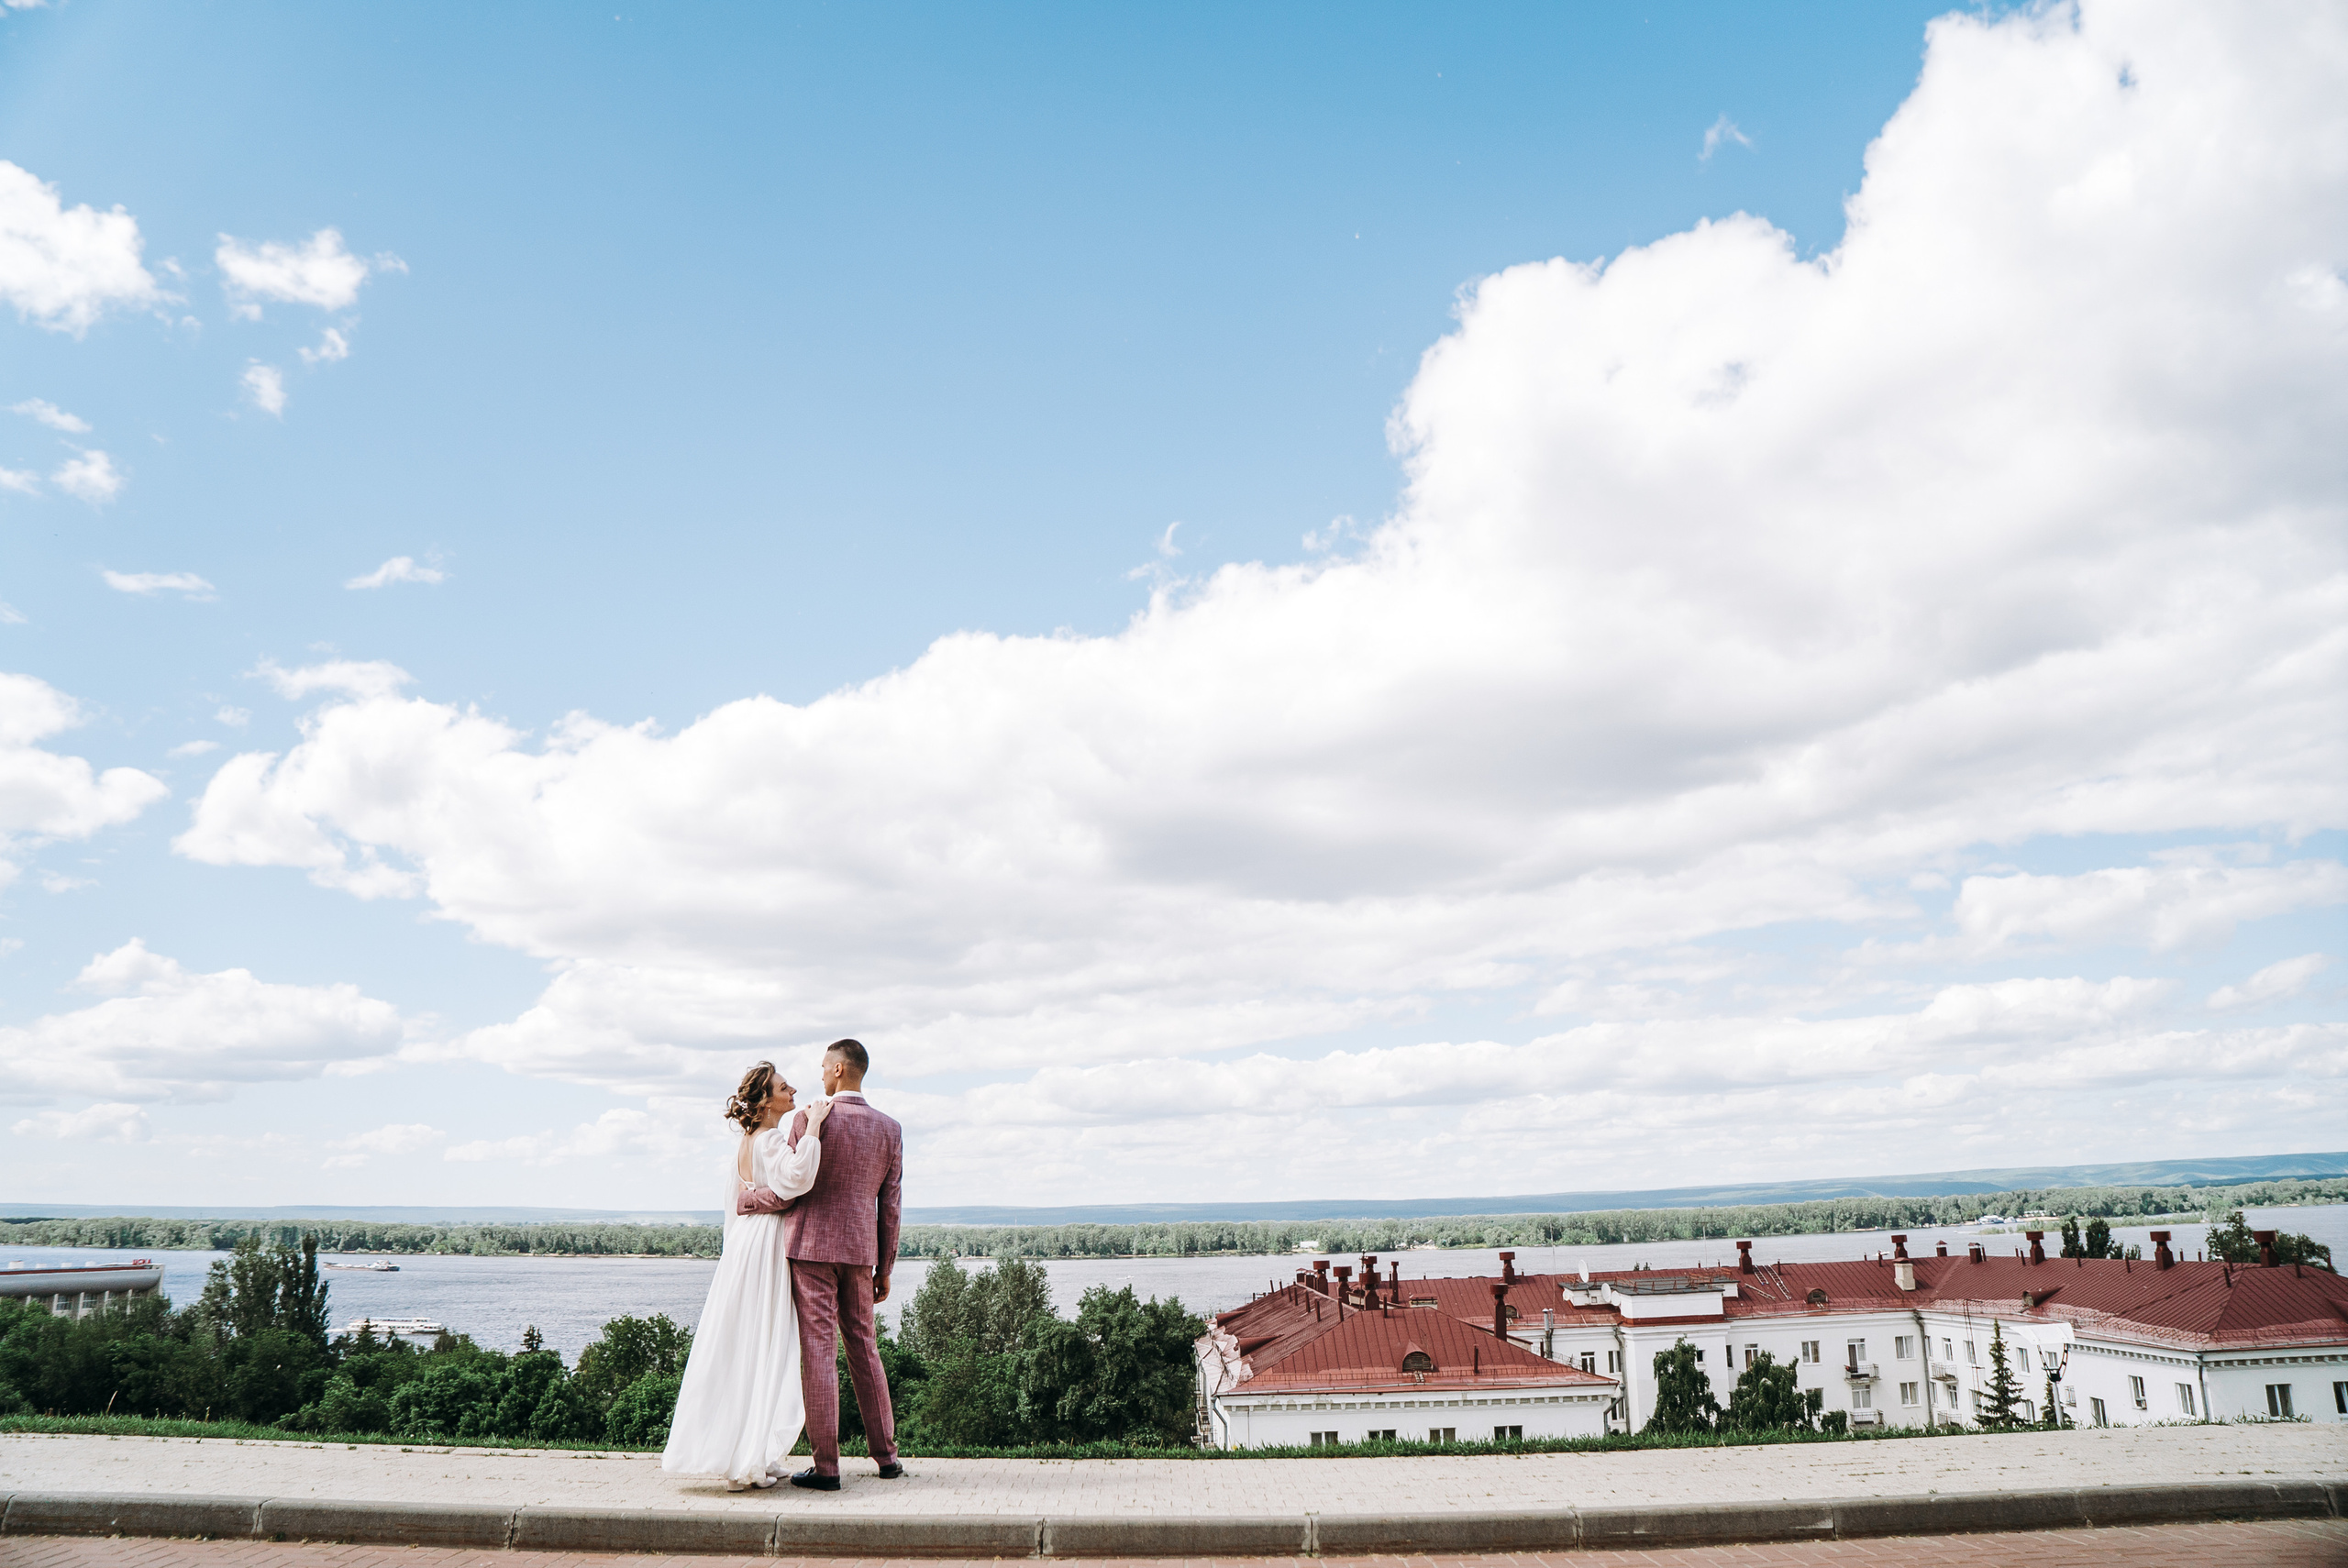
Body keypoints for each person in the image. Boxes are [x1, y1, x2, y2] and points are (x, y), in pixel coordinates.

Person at [736, 1036, 903, 1489]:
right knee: (864, 1347)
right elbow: (890, 1204)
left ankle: (827, 1468)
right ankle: (886, 1458)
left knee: (819, 1352)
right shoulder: (890, 1128)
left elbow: (794, 1186)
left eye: (823, 1066)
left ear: (837, 1071)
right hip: (860, 1252)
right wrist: (884, 1266)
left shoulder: (807, 1120)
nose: (818, 1074)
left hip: (810, 1247)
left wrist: (750, 1202)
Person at [660, 1061, 832, 1489]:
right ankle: (746, 1458)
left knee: (750, 1342)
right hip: (767, 1245)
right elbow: (797, 1179)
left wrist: (759, 1204)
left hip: (745, 1244)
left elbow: (739, 1201)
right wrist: (812, 1128)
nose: (792, 1089)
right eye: (782, 1086)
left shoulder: (747, 1142)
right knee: (764, 1342)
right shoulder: (771, 1137)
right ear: (765, 1101)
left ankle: (753, 1449)